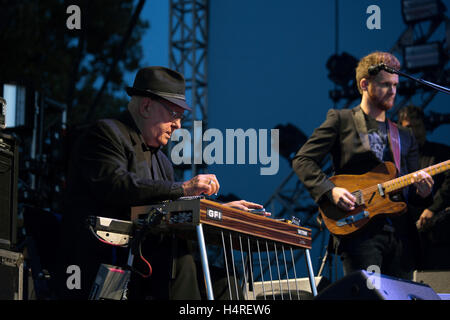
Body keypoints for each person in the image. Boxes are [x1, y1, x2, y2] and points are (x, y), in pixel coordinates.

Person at [58, 66, 262, 300]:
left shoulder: (163, 161)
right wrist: (184, 188)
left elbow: (172, 206)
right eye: (174, 114)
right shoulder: (105, 134)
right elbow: (117, 185)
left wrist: (219, 211)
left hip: (151, 261)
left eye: (181, 117)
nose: (177, 125)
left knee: (226, 281)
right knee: (179, 261)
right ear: (146, 106)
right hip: (109, 263)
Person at [292, 51, 434, 280]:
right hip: (359, 230)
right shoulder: (341, 120)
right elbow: (302, 160)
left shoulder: (405, 136)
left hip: (401, 236)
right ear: (364, 84)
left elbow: (412, 194)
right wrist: (330, 190)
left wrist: (424, 193)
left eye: (396, 85)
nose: (393, 91)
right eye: (385, 84)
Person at [398, 105, 450, 269]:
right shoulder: (397, 161)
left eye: (418, 126)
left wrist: (433, 209)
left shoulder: (442, 152)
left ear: (424, 126)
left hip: (439, 233)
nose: (414, 132)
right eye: (408, 127)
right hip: (408, 237)